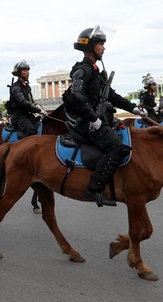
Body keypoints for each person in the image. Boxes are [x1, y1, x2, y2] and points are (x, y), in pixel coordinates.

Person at [63, 26, 147, 207]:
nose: (103, 47)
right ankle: (94, 189)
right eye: (100, 44)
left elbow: (111, 96)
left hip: (101, 119)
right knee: (117, 148)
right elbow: (76, 94)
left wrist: (134, 109)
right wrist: (93, 118)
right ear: (91, 46)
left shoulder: (95, 71)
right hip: (89, 123)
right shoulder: (83, 70)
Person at [6, 61, 46, 137]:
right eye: (24, 70)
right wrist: (39, 110)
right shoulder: (16, 87)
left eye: (28, 70)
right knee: (31, 132)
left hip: (28, 116)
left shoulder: (26, 86)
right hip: (19, 117)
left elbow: (31, 102)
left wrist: (40, 109)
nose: (27, 72)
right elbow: (23, 103)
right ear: (19, 73)